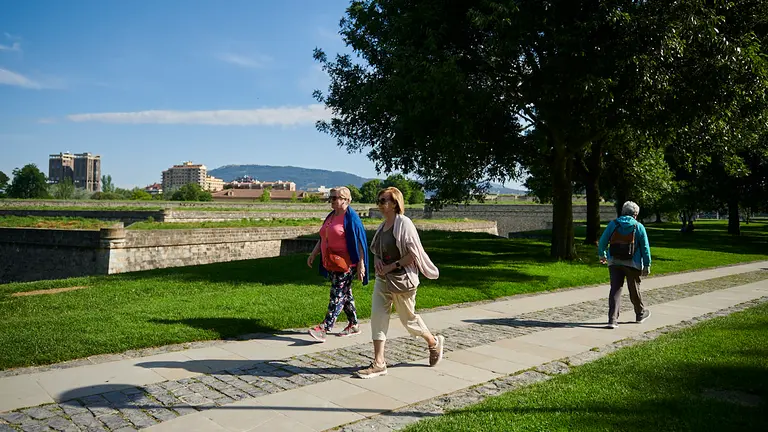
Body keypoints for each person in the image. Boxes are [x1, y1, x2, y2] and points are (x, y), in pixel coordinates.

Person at [355, 187, 444, 379]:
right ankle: (379, 363)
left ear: (394, 203)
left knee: (408, 320)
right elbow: (377, 248)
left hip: (401, 279)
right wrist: (378, 260)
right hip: (383, 279)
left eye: (383, 200)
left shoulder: (404, 223)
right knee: (377, 317)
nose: (379, 204)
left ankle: (432, 341)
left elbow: (414, 254)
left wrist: (391, 266)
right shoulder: (383, 225)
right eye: (378, 200)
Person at [307, 186, 369, 342]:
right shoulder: (331, 216)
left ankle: (325, 328)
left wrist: (361, 264)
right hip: (332, 262)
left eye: (335, 198)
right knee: (345, 294)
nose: (332, 200)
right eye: (331, 197)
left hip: (346, 264)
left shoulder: (352, 218)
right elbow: (323, 237)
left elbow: (361, 242)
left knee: (337, 294)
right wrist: (314, 253)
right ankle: (354, 324)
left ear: (346, 200)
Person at [598, 200, 652, 329]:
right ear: (635, 214)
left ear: (623, 212)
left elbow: (602, 242)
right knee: (634, 289)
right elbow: (645, 248)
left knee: (615, 289)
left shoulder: (613, 224)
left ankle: (612, 320)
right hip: (633, 263)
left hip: (614, 261)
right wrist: (647, 264)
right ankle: (640, 314)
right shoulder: (638, 226)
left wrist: (602, 255)